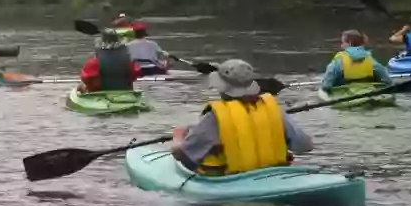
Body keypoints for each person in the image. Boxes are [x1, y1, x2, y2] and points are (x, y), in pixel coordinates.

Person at [170, 59, 314, 175]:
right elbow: (305, 146)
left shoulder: (214, 117)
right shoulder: (274, 109)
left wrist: (178, 137)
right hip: (275, 174)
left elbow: (186, 158)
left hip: (231, 181)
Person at [320, 30, 393, 91]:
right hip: (369, 92)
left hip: (345, 96)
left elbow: (326, 86)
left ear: (349, 43)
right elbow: (388, 82)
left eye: (343, 42)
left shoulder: (338, 61)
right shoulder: (371, 60)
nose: (341, 45)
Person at [78, 28, 139, 93]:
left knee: (81, 85)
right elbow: (135, 74)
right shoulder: (129, 60)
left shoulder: (94, 61)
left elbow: (86, 78)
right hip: (125, 90)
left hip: (99, 91)